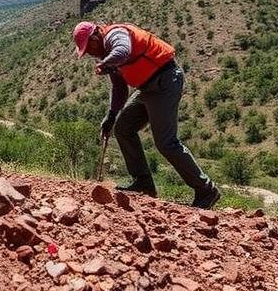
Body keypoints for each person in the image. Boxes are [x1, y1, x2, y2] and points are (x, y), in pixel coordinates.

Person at [73, 20, 221, 209]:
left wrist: (105, 63)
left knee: (166, 142)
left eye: (89, 48)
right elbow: (119, 88)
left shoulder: (115, 35)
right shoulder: (107, 55)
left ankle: (207, 190)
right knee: (123, 128)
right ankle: (144, 183)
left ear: (95, 37)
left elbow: (122, 51)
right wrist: (111, 116)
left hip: (165, 80)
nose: (90, 54)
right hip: (146, 88)